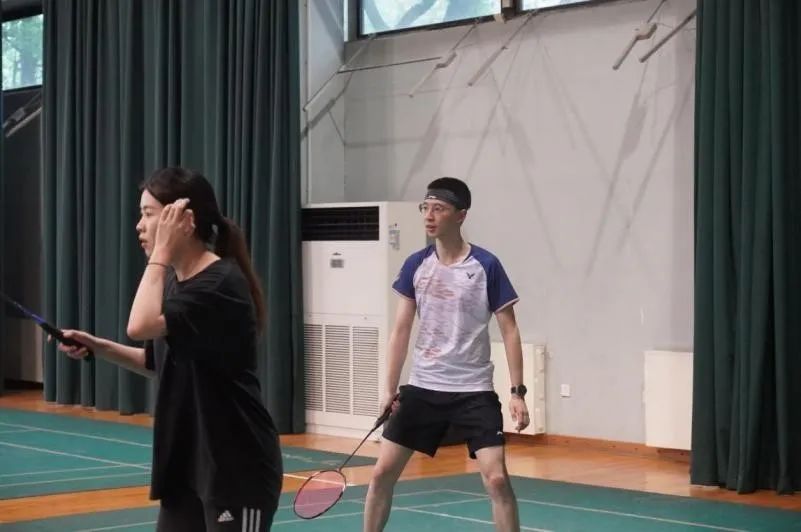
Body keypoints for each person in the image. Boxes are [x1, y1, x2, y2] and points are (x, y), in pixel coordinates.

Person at [55, 167, 282, 531]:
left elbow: (138, 326)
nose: (139, 226)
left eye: (149, 214)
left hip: (237, 468)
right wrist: (98, 346)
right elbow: (156, 361)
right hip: (188, 465)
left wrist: (159, 255)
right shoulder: (179, 283)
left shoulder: (218, 283)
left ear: (184, 221)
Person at [363, 177, 530, 532]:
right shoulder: (416, 265)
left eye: (438, 208)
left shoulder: (486, 265)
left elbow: (510, 330)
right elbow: (401, 330)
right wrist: (388, 389)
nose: (429, 215)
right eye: (425, 207)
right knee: (380, 474)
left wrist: (517, 392)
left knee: (497, 479)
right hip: (424, 387)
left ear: (460, 215)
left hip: (473, 391)